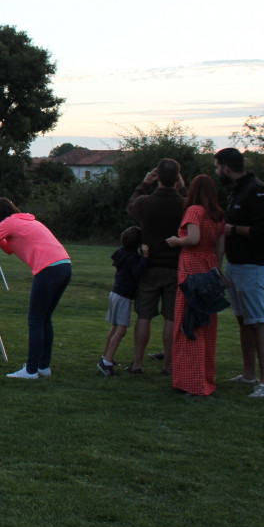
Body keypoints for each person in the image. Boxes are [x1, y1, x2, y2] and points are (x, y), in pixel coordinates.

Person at [0, 198, 71, 380]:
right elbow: (8, 248)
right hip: (64, 266)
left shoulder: (8, 223)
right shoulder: (23, 220)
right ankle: (43, 366)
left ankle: (31, 370)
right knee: (45, 319)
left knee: (35, 321)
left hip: (48, 269)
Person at [215, 147, 264, 398]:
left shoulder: (257, 190)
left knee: (258, 322)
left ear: (226, 168)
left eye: (217, 166)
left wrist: (231, 229)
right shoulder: (238, 190)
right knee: (243, 320)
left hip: (253, 266)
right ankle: (249, 374)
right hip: (236, 264)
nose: (216, 171)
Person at [165, 175, 225, 396]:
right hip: (210, 269)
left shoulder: (194, 211)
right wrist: (218, 270)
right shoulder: (218, 215)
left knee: (189, 322)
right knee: (206, 324)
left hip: (192, 269)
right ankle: (205, 377)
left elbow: (193, 239)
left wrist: (175, 241)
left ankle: (192, 382)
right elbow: (220, 249)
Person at [126, 158, 186, 374]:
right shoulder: (183, 204)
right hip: (175, 267)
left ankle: (138, 363)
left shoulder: (146, 202)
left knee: (144, 316)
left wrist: (143, 184)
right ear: (177, 178)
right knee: (171, 317)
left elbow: (130, 206)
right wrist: (183, 187)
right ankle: (168, 365)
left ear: (157, 177)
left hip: (149, 266)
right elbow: (193, 207)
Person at [99, 227, 148, 375]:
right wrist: (145, 256)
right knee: (122, 329)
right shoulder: (133, 257)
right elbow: (138, 273)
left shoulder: (121, 253)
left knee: (114, 327)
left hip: (115, 293)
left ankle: (106, 356)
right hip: (124, 296)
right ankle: (107, 362)